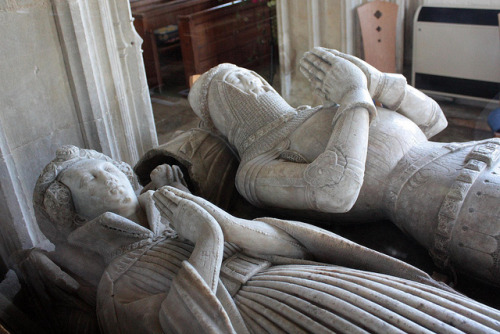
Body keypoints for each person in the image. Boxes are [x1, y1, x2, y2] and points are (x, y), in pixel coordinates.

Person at [20, 145, 500, 333]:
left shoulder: (174, 207)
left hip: (305, 280)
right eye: (86, 182)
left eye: (107, 167)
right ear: (71, 210)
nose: (106, 179)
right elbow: (177, 327)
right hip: (262, 316)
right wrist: (209, 239)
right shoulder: (116, 278)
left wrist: (227, 227)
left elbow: (290, 243)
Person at [183, 47, 500, 287]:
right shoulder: (254, 168)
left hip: (471, 152)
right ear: (221, 114)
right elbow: (335, 191)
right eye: (230, 84)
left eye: (249, 75)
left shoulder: (316, 110)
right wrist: (354, 94)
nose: (251, 83)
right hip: (452, 198)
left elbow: (433, 120)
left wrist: (380, 83)